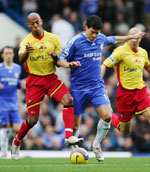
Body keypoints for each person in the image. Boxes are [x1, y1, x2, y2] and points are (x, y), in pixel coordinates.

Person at [51, 15, 144, 161]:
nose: (94, 35)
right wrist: (69, 64)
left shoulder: (100, 38)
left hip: (96, 86)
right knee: (76, 125)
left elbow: (114, 39)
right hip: (78, 88)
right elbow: (60, 60)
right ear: (86, 27)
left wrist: (130, 37)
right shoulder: (75, 41)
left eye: (97, 32)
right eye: (92, 32)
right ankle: (75, 152)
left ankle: (96, 144)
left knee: (107, 116)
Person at [11, 12, 83, 160]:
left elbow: (58, 61)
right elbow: (20, 58)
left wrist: (68, 64)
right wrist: (26, 52)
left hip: (50, 79)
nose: (35, 25)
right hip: (35, 82)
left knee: (69, 100)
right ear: (28, 25)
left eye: (37, 22)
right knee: (32, 121)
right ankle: (17, 141)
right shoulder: (26, 42)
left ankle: (69, 136)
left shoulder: (53, 38)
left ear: (41, 21)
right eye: (32, 23)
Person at [101, 27, 150, 137]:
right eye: (131, 38)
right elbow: (104, 64)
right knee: (125, 130)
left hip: (141, 91)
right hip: (125, 94)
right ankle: (109, 114)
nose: (133, 41)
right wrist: (98, 83)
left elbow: (148, 67)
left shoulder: (143, 53)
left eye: (136, 38)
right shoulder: (120, 52)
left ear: (140, 37)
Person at [0, 46, 22, 158]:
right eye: (6, 53)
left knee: (18, 129)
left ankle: (14, 148)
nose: (8, 55)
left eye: (10, 53)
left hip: (13, 104)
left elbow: (18, 84)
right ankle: (3, 152)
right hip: (2, 103)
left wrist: (22, 84)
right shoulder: (0, 68)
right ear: (2, 55)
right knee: (5, 127)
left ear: (13, 55)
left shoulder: (17, 68)